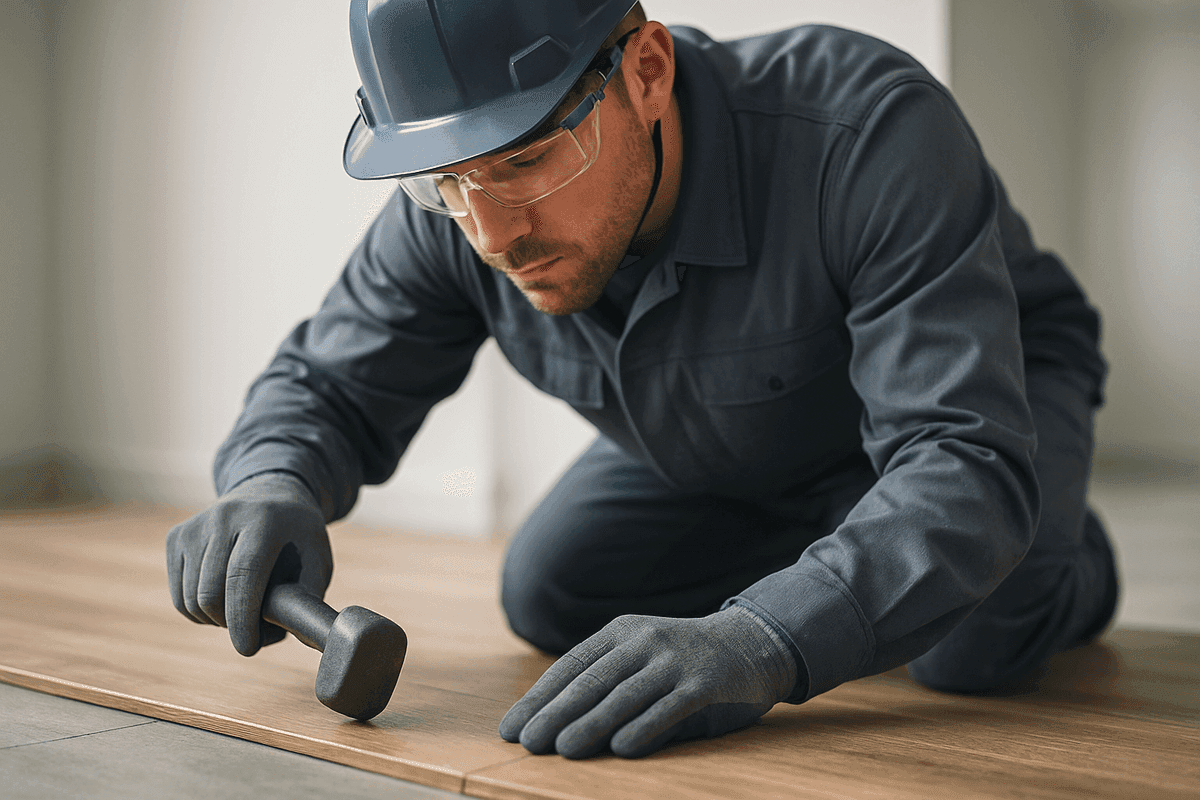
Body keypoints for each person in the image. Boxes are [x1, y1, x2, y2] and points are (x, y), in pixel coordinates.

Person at [166, 0, 1119, 760]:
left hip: (979, 403)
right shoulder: (456, 206)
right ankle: (848, 543)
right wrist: (271, 479)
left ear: (648, 72)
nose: (492, 234)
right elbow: (329, 382)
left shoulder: (868, 130)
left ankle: (1055, 539)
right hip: (726, 434)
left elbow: (959, 454)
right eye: (446, 182)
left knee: (974, 647)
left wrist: (760, 638)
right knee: (554, 593)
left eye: (528, 159)